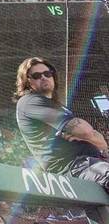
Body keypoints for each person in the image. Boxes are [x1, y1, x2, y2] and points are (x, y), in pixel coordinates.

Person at [14, 57, 109, 187]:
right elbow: (86, 131)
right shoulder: (29, 101)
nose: (43, 77)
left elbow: (101, 143)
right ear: (28, 82)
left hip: (91, 164)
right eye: (36, 76)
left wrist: (88, 137)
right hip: (74, 168)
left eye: (47, 73)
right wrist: (86, 136)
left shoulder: (56, 105)